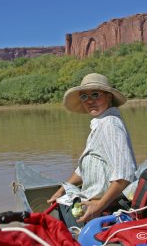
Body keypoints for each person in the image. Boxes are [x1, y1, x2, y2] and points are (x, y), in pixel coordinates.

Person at [47, 73, 137, 226]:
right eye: (84, 97)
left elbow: (124, 175)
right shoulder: (100, 124)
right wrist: (63, 188)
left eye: (95, 94)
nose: (89, 101)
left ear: (109, 97)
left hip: (105, 207)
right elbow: (85, 168)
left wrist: (98, 206)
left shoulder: (110, 125)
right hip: (94, 202)